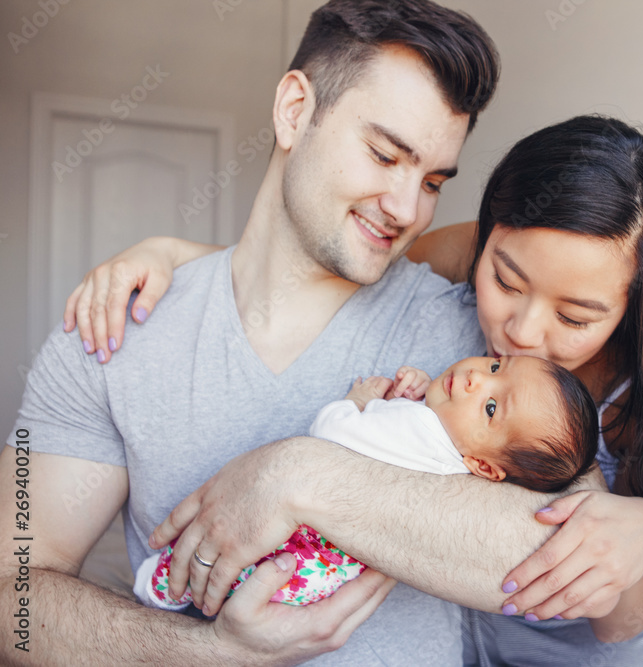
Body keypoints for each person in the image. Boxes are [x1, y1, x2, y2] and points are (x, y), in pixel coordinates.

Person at [62, 115, 643, 660]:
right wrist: (176, 256)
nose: (522, 332)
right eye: (505, 278)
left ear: (640, 307)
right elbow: (318, 269)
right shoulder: (467, 257)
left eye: (576, 315)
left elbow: (621, 617)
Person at [0, 1, 501, 664]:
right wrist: (211, 650)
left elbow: (561, 551)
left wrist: (298, 474)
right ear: (294, 110)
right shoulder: (111, 327)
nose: (408, 209)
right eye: (385, 154)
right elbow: (13, 597)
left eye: (433, 180)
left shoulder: (472, 342)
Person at [137, 357, 598, 611]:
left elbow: (334, 439)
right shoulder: (457, 460)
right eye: (497, 366)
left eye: (492, 408)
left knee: (222, 557)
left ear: (486, 467)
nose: (478, 378)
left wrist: (353, 402)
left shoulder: (423, 433)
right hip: (328, 574)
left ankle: (160, 587)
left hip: (304, 545)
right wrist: (425, 387)